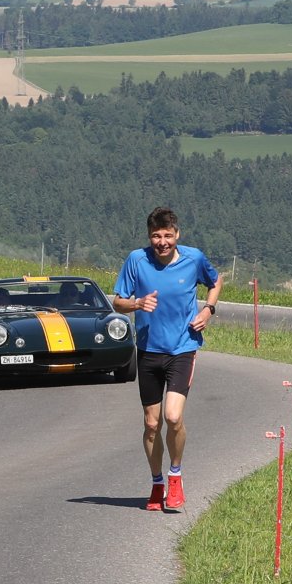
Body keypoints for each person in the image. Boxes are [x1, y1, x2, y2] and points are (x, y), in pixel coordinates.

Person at [111, 207, 222, 511]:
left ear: (177, 234)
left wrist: (208, 310)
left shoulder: (193, 258)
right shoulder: (136, 260)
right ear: (149, 236)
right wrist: (137, 303)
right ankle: (157, 482)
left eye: (168, 236)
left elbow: (216, 282)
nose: (162, 242)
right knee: (151, 424)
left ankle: (175, 475)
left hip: (182, 349)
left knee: (173, 417)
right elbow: (117, 302)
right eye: (156, 236)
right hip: (148, 351)